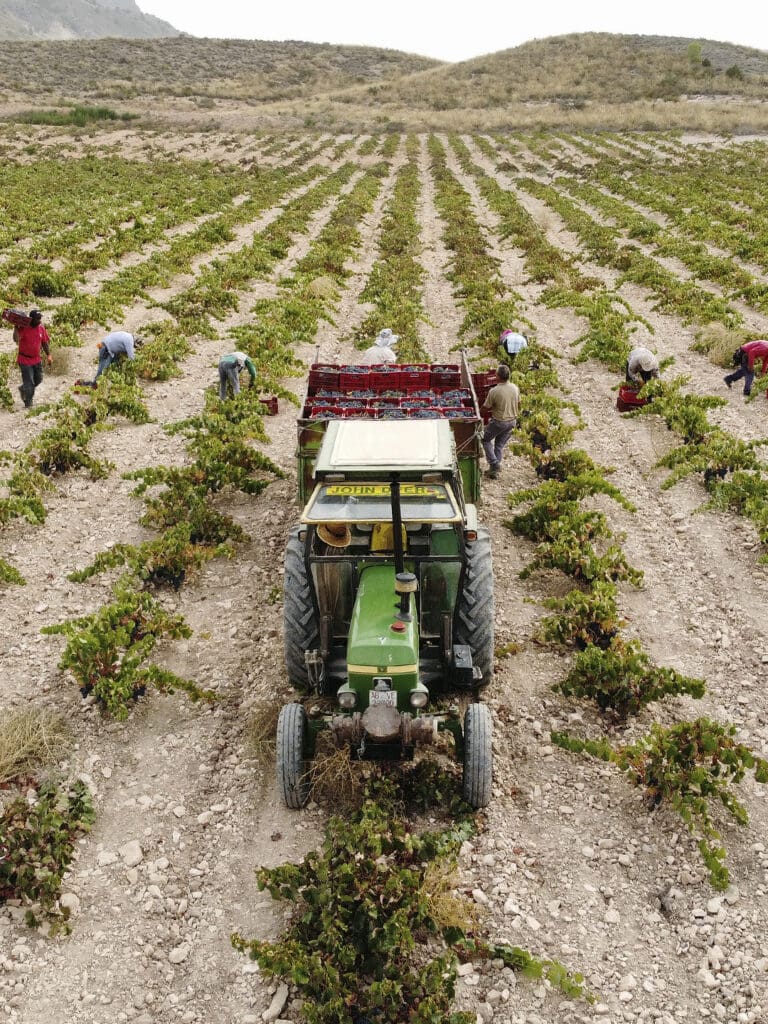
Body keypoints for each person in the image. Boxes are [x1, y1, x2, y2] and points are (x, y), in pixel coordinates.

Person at [482, 364, 520, 480]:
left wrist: (478, 414)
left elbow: (486, 407)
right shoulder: (515, 388)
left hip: (499, 422)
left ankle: (494, 463)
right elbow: (519, 403)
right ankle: (494, 472)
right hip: (512, 421)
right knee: (498, 445)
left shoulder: (494, 391)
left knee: (485, 439)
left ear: (497, 376)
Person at [13, 309, 52, 408]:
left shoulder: (41, 328)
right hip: (24, 359)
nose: (40, 320)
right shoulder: (23, 328)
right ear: (31, 319)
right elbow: (16, 339)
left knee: (38, 379)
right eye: (37, 319)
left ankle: (24, 389)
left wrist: (49, 355)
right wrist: (16, 328)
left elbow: (44, 342)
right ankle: (28, 403)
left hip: (36, 359)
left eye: (40, 318)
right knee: (29, 382)